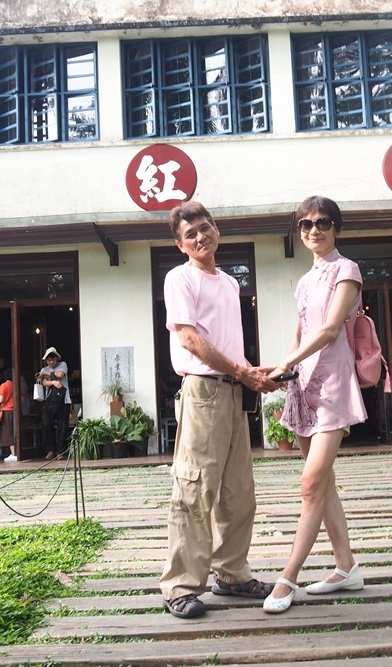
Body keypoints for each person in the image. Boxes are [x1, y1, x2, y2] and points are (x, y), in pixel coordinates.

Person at [159, 201, 279, 619]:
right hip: (203, 393)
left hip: (233, 392)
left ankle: (231, 573)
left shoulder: (229, 283)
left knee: (238, 491)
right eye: (190, 234)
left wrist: (254, 372)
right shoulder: (180, 278)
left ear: (217, 230)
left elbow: (228, 345)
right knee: (195, 489)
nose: (200, 237)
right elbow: (190, 340)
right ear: (180, 245)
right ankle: (180, 585)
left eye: (204, 227)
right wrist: (242, 373)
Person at [262, 195, 367, 614]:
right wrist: (283, 369)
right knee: (323, 484)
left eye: (323, 222)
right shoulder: (305, 281)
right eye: (305, 224)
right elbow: (301, 332)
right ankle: (347, 567)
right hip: (303, 385)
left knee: (310, 484)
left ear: (336, 227)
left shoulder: (347, 270)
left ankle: (287, 578)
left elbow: (328, 331)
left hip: (334, 384)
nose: (314, 230)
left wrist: (287, 362)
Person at [37, 347, 71, 460]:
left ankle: (60, 451)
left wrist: (45, 373)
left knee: (62, 426)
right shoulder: (44, 368)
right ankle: (51, 449)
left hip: (64, 400)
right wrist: (53, 382)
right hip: (50, 400)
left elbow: (60, 374)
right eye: (49, 360)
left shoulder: (63, 365)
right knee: (47, 425)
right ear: (46, 360)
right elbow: (44, 382)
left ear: (57, 359)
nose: (51, 362)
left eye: (53, 359)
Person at [0, 369, 18, 463]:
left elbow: (1, 400)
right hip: (16, 411)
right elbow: (22, 398)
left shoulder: (4, 385)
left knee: (8, 432)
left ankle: (13, 454)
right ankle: (17, 452)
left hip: (7, 411)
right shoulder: (16, 385)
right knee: (15, 431)